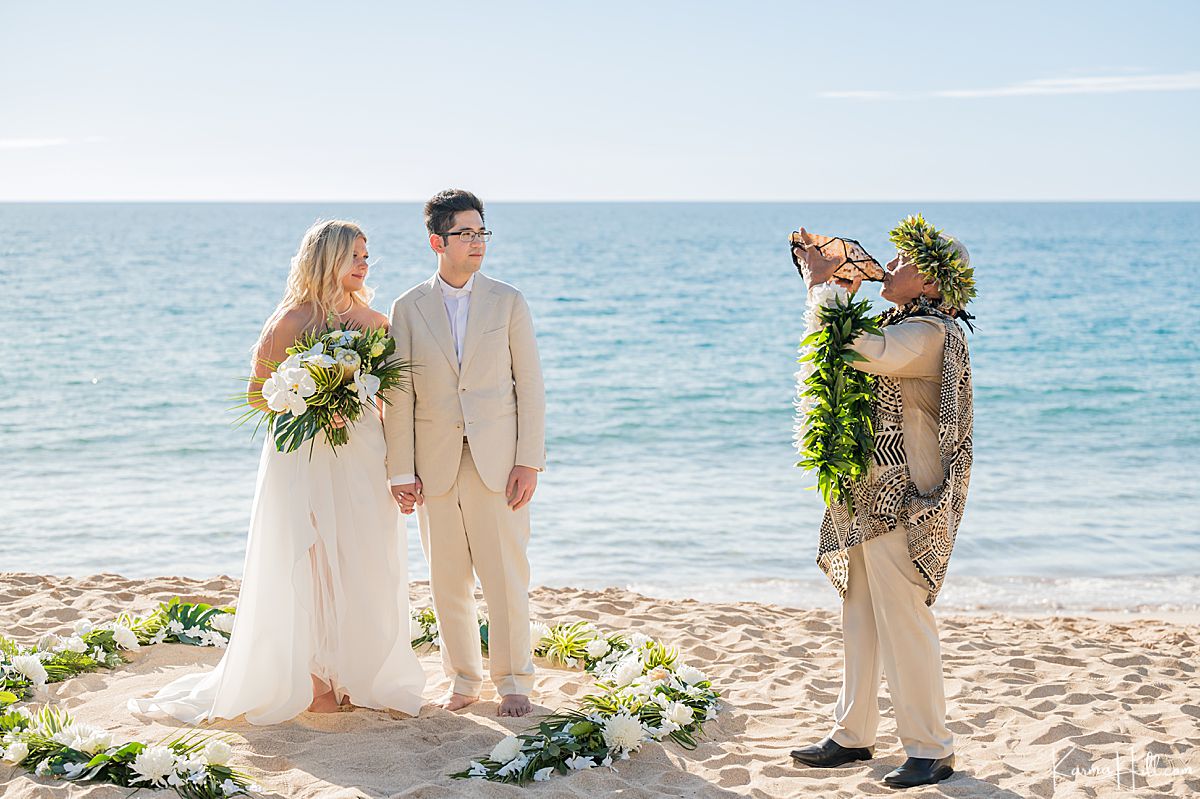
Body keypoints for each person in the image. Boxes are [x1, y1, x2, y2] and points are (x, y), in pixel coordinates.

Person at [129, 220, 426, 723]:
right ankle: (312, 678)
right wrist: (310, 402)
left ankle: (357, 671)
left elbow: (392, 403)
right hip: (306, 457)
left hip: (361, 456)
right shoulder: (291, 321)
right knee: (309, 558)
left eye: (366, 253)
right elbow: (257, 394)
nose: (364, 262)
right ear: (327, 259)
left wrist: (402, 467)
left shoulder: (376, 323)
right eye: (354, 254)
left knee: (364, 558)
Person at [789, 219, 975, 788]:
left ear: (934, 282)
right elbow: (846, 352)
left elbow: (858, 350)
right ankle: (853, 735)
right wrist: (834, 286)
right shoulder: (904, 322)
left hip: (907, 498)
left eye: (902, 261)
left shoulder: (929, 334)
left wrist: (822, 286)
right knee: (862, 614)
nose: (888, 267)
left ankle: (932, 747)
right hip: (869, 491)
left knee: (904, 619)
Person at [383, 190, 546, 718]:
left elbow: (531, 385)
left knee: (504, 575)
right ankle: (463, 679)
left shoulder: (508, 301)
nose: (477, 243)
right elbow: (399, 393)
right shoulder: (408, 307)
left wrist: (529, 460)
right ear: (438, 241)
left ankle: (514, 680)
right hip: (434, 464)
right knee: (447, 578)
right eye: (466, 234)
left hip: (498, 461)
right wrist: (399, 470)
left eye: (482, 232)